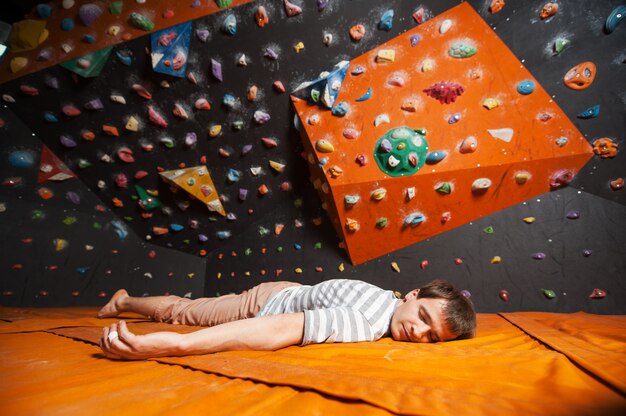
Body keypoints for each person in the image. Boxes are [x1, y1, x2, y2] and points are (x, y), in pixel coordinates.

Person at [98, 278, 476, 360]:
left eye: (433, 337)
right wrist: (175, 345)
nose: (419, 332)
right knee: (183, 313)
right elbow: (283, 328)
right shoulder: (371, 319)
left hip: (291, 292)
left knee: (189, 308)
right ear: (413, 295)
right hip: (268, 303)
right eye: (424, 315)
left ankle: (125, 298)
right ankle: (125, 298)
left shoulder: (385, 299)